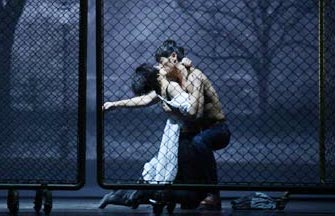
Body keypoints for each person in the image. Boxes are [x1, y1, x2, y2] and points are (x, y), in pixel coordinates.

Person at [99, 63, 207, 209]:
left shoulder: (170, 85)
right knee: (165, 176)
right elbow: (146, 100)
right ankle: (129, 195)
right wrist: (114, 104)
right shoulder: (162, 85)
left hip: (183, 134)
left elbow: (190, 110)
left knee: (175, 181)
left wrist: (172, 107)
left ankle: (136, 195)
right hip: (178, 135)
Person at [154, 39, 231, 210]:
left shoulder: (195, 75)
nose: (161, 66)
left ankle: (213, 194)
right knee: (182, 143)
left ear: (173, 57)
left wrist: (170, 107)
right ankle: (186, 195)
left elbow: (195, 114)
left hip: (218, 129)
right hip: (201, 131)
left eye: (162, 61)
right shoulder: (177, 78)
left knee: (198, 142)